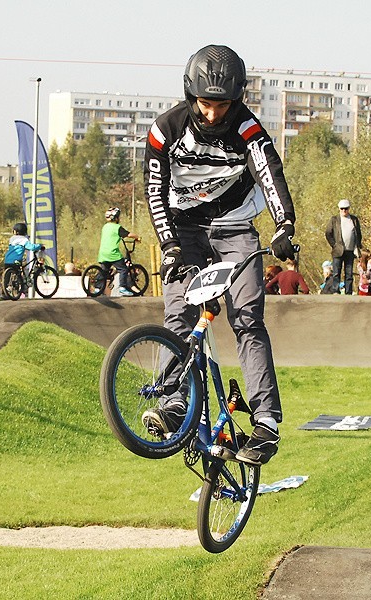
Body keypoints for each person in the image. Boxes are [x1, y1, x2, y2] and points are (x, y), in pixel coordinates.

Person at [140, 45, 298, 466]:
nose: (213, 114)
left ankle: (266, 421)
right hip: (184, 230)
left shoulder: (248, 128)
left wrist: (284, 226)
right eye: (206, 104)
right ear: (192, 96)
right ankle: (175, 403)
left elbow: (270, 174)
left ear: (237, 100)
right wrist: (170, 245)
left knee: (246, 317)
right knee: (179, 314)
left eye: (222, 105)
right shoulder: (165, 129)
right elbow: (154, 192)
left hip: (234, 229)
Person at [97, 207, 142, 296]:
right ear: (116, 218)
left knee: (104, 271)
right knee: (123, 269)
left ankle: (97, 288)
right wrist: (138, 237)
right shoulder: (117, 227)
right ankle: (122, 287)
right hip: (112, 253)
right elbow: (129, 234)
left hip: (103, 253)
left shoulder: (105, 227)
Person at [325, 199, 362, 295]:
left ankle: (348, 291)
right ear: (339, 209)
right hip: (338, 250)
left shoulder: (354, 219)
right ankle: (335, 290)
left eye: (346, 208)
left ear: (349, 208)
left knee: (349, 273)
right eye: (342, 209)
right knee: (336, 272)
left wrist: (358, 246)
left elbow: (358, 233)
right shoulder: (334, 219)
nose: (344, 211)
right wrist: (334, 245)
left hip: (350, 250)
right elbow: (328, 233)